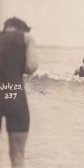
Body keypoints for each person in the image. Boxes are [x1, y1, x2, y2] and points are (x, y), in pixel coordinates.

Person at [0, 17, 38, 167]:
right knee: (17, 154)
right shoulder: (27, 38)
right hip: (14, 94)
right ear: (22, 28)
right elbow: (31, 67)